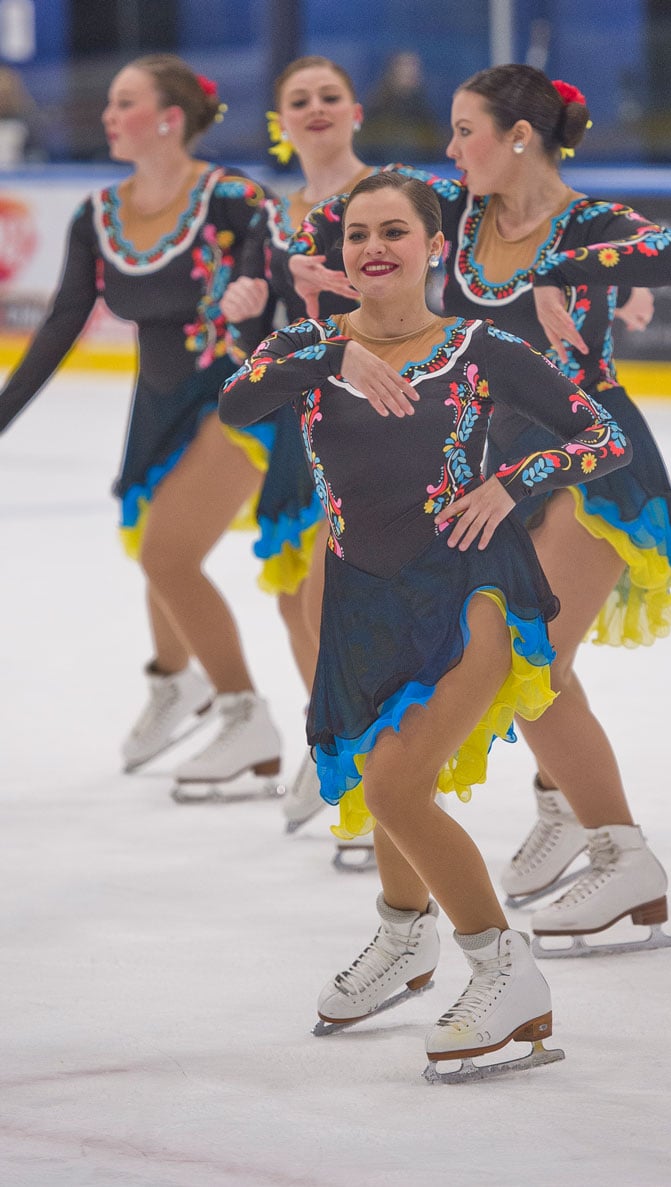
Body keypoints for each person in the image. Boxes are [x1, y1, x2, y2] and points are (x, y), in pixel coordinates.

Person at [219, 171, 632, 1079]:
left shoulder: (481, 348)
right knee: (372, 776)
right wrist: (332, 358)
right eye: (359, 232)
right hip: (362, 594)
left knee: (401, 786)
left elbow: (604, 437)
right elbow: (235, 401)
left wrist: (511, 483)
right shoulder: (309, 344)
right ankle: (407, 939)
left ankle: (502, 968)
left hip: (470, 586)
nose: (374, 246)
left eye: (395, 230)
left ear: (433, 246)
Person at [288, 65, 671, 955]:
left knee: (531, 664)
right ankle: (569, 810)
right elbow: (343, 214)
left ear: (518, 135)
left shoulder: (584, 221)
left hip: (591, 467)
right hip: (493, 465)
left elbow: (670, 248)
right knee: (520, 664)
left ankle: (624, 859)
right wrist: (303, 264)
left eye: (465, 129)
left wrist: (566, 268)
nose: (450, 147)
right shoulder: (456, 212)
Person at [0, 54, 284, 798]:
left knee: (166, 553)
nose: (107, 114)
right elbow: (61, 324)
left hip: (242, 394)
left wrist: (257, 286)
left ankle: (244, 712)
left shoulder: (232, 198)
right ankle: (174, 681)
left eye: (123, 102)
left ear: (169, 119)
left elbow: (269, 275)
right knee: (155, 543)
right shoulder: (98, 215)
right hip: (158, 405)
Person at [220, 55, 370, 836]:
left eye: (329, 96)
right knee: (292, 598)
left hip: (376, 410)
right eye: (299, 100)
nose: (315, 109)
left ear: (356, 112)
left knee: (334, 594)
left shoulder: (388, 197)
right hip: (299, 415)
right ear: (281, 121)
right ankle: (339, 738)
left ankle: (366, 756)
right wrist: (246, 306)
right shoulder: (274, 217)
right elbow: (263, 334)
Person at [355, 51, 445, 163]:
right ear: (391, 71)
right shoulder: (377, 104)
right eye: (404, 67)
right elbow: (363, 144)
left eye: (413, 67)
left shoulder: (423, 106)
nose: (410, 72)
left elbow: (435, 145)